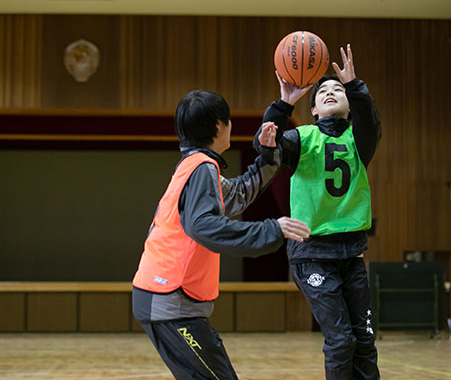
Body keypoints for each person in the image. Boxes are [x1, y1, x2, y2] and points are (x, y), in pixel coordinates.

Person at [132, 89, 310, 380]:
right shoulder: (201, 168)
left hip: (163, 299)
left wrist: (268, 153)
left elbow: (240, 193)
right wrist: (271, 229)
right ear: (219, 125)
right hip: (169, 301)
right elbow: (202, 226)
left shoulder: (196, 166)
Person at [255, 44, 382, 379]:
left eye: (337, 90)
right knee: (341, 341)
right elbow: (266, 145)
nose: (330, 92)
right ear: (312, 110)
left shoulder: (359, 140)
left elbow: (370, 120)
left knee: (364, 340)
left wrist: (355, 86)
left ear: (348, 104)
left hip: (351, 251)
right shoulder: (300, 139)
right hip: (312, 253)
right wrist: (284, 103)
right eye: (322, 90)